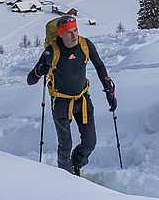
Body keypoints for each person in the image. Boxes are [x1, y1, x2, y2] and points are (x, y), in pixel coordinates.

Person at [27, 14, 116, 175]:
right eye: (69, 32)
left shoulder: (85, 45)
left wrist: (109, 91)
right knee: (65, 145)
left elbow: (100, 67)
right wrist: (39, 71)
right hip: (60, 102)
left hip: (82, 99)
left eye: (75, 30)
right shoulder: (52, 51)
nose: (74, 35)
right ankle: (66, 178)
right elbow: (30, 80)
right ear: (61, 34)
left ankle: (75, 165)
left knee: (90, 143)